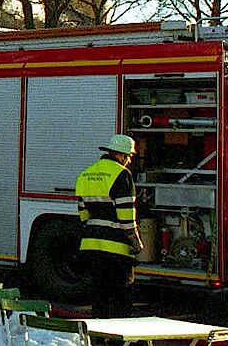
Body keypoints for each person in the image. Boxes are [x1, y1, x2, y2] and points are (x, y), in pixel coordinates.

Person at [76, 133, 142, 317]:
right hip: (116, 251)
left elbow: (83, 212)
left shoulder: (86, 173)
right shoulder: (122, 175)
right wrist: (136, 242)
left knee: (100, 298)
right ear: (121, 155)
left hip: (90, 247)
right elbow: (126, 216)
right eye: (129, 156)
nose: (129, 161)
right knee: (121, 299)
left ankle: (97, 339)